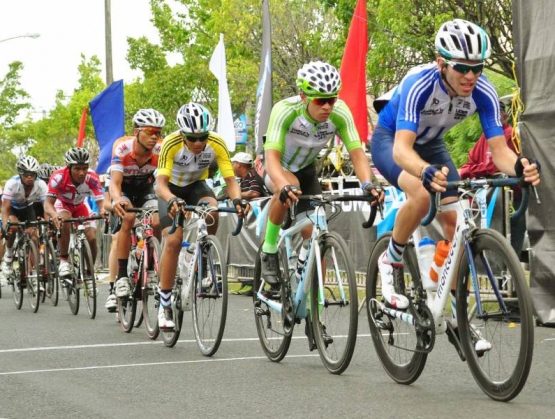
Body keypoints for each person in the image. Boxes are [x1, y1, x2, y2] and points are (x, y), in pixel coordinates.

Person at [370, 19, 540, 343]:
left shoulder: (484, 90)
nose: (470, 76)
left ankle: (445, 305)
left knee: (459, 221)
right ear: (441, 63)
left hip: (432, 145)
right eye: (462, 67)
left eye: (477, 68)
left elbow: (500, 151)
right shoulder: (419, 84)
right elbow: (403, 150)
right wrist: (423, 171)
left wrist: (518, 166)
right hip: (393, 141)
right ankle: (390, 258)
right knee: (420, 194)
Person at [260, 60, 382, 284]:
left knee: (315, 233)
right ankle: (268, 249)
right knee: (289, 186)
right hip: (278, 166)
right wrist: (282, 185)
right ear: (304, 96)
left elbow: (356, 153)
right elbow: (272, 160)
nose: (327, 106)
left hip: (306, 170)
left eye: (332, 99)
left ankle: (315, 305)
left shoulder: (340, 113)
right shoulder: (285, 110)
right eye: (320, 100)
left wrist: (368, 184)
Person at [155, 102, 248, 330]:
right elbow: (160, 184)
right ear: (182, 134)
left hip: (196, 185)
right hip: (171, 190)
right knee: (174, 241)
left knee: (213, 210)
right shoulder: (171, 143)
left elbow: (230, 180)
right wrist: (172, 200)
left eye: (202, 137)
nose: (198, 143)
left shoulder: (216, 143)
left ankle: (204, 255)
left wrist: (237, 200)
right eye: (192, 138)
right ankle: (164, 303)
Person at [109, 108, 165, 307]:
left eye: (158, 132)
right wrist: (117, 199)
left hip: (145, 187)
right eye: (149, 131)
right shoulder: (122, 149)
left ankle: (151, 266)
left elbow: (165, 180)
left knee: (157, 218)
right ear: (136, 132)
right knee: (129, 218)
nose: (154, 137)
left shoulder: (161, 149)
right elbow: (115, 183)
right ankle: (122, 276)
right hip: (124, 187)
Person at [459, 101, 526, 256]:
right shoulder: (485, 137)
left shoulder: (511, 135)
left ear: (504, 115)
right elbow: (471, 161)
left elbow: (499, 166)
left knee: (510, 248)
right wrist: (469, 170)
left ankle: (511, 277)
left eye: (496, 114)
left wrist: (467, 171)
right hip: (486, 201)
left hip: (512, 200)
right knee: (487, 248)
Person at [44, 147, 105, 277]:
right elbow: (48, 203)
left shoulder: (92, 177)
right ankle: (64, 260)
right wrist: (54, 215)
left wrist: (104, 210)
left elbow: (101, 201)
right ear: (69, 168)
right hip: (63, 205)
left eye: (84, 168)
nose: (82, 172)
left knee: (92, 237)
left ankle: (89, 273)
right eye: (77, 169)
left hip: (80, 206)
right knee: (64, 220)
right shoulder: (58, 177)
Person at [1, 156, 47, 275]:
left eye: (32, 174)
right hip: (12, 209)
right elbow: (5, 208)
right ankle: (9, 256)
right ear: (20, 174)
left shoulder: (41, 184)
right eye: (26, 174)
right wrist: (6, 225)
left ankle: (33, 271)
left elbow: (46, 207)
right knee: (13, 227)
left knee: (34, 237)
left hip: (28, 208)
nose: (29, 177)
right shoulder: (12, 183)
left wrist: (48, 223)